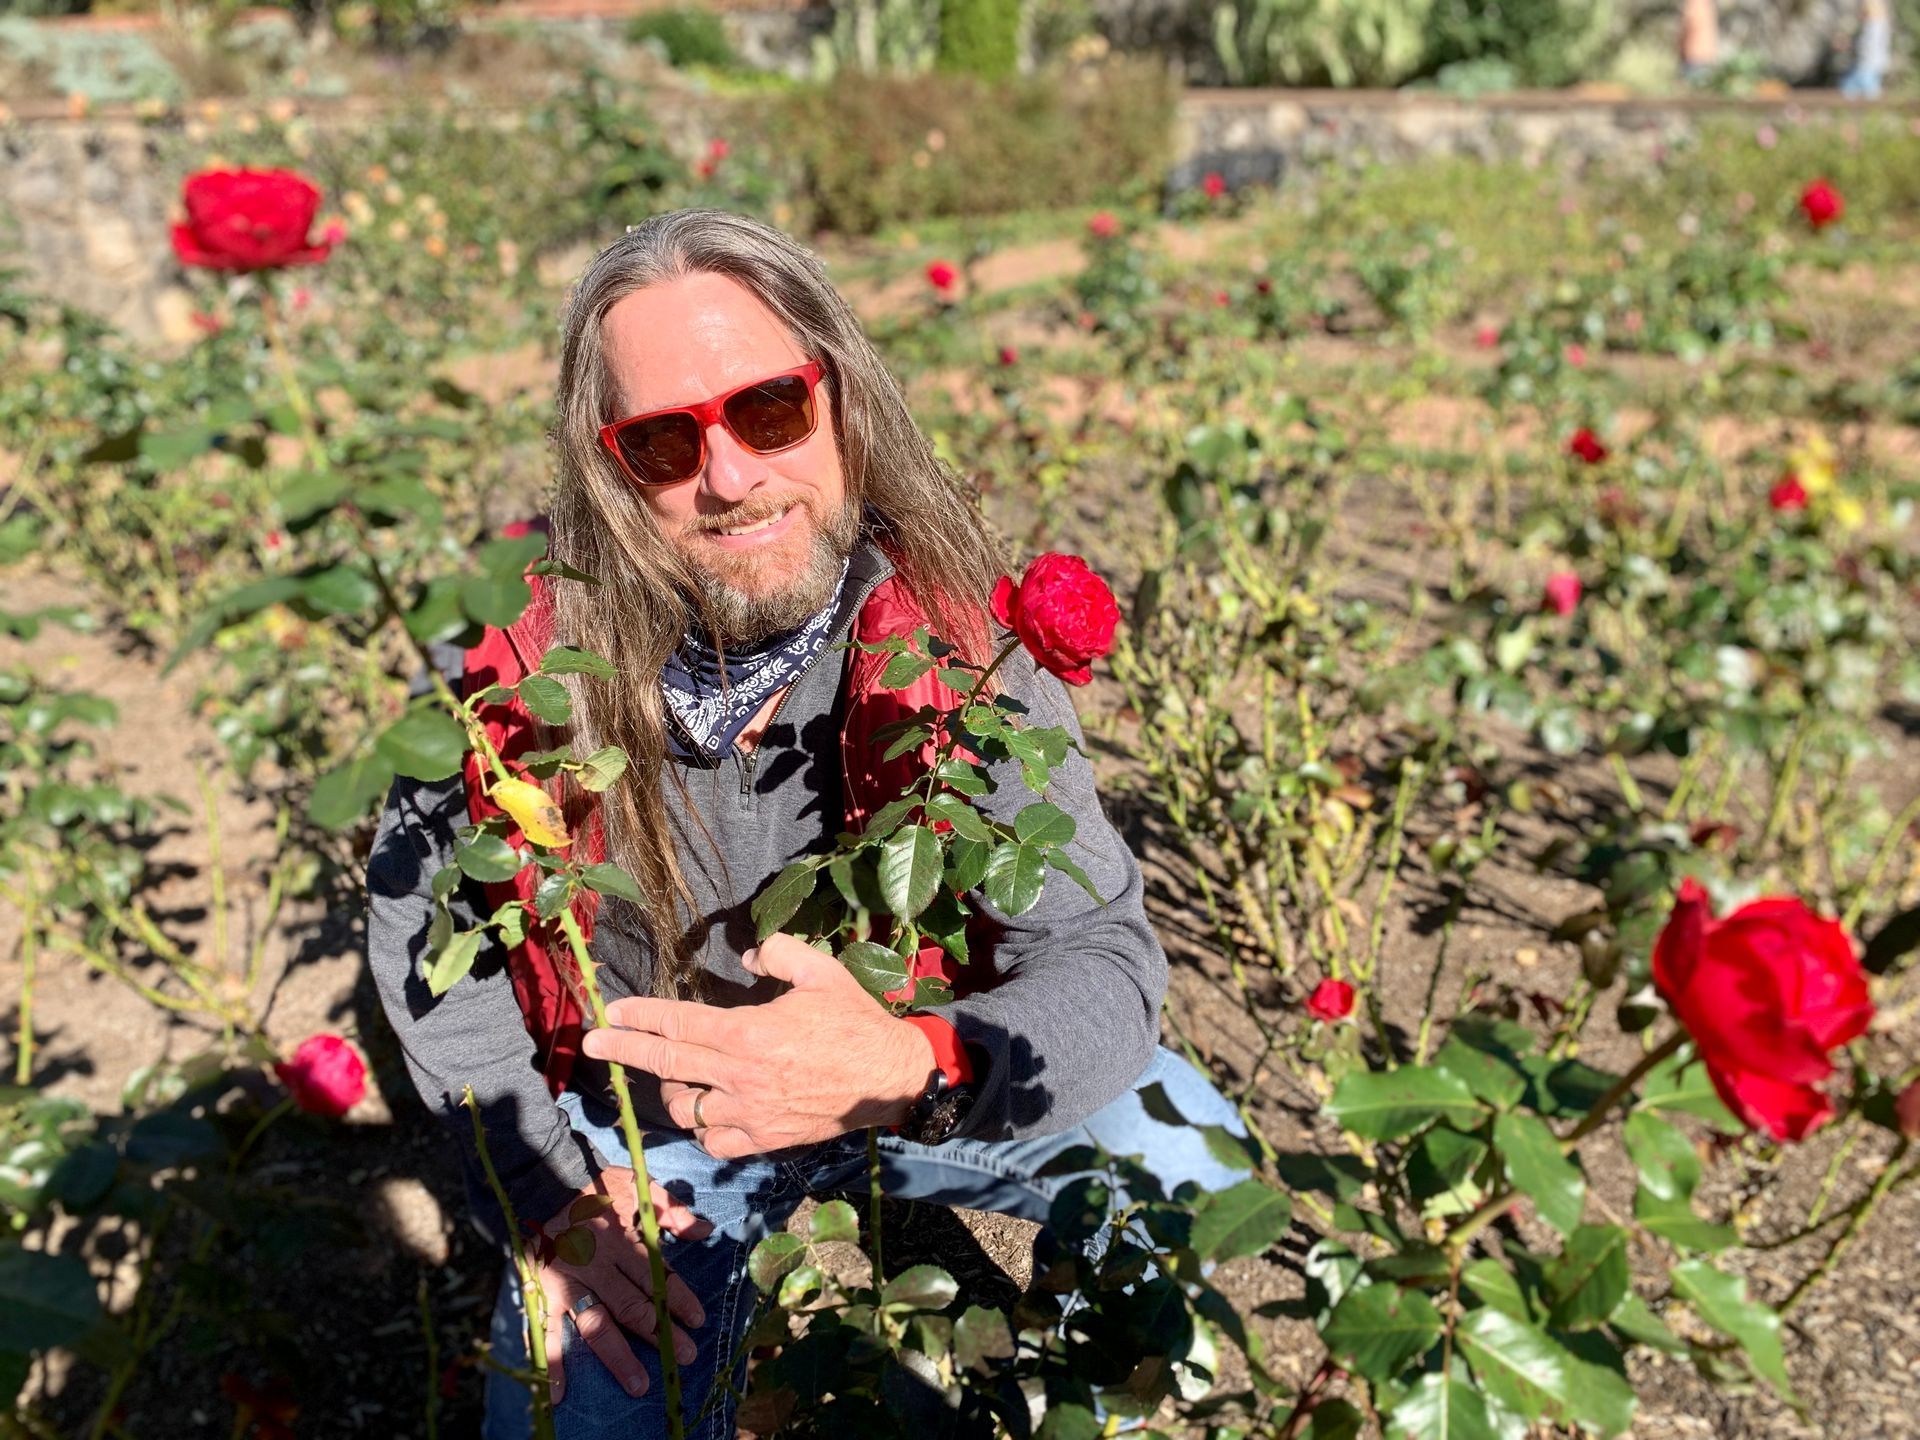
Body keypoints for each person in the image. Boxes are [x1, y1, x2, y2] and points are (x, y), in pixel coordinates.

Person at [365, 208, 1245, 1439]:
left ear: (841, 395)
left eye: (769, 408)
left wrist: (916, 1068)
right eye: (666, 440)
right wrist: (549, 1197)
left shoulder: (963, 655)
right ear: (607, 463)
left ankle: (1079, 1395)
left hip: (900, 1080)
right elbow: (428, 941)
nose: (728, 477)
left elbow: (1102, 957)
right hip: (654, 1133)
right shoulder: (512, 664)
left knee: (1202, 1177)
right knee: (596, 1417)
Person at [1840, 0, 1892, 98]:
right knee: (1867, 90)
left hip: (1868, 63)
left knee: (1850, 89)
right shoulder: (1880, 24)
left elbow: (1866, 45)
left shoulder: (1874, 25)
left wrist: (1849, 44)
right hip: (1874, 63)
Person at [1679, 0, 1719, 83]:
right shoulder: (1707, 4)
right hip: (1706, 55)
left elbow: (1690, 25)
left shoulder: (1695, 4)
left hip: (1694, 55)